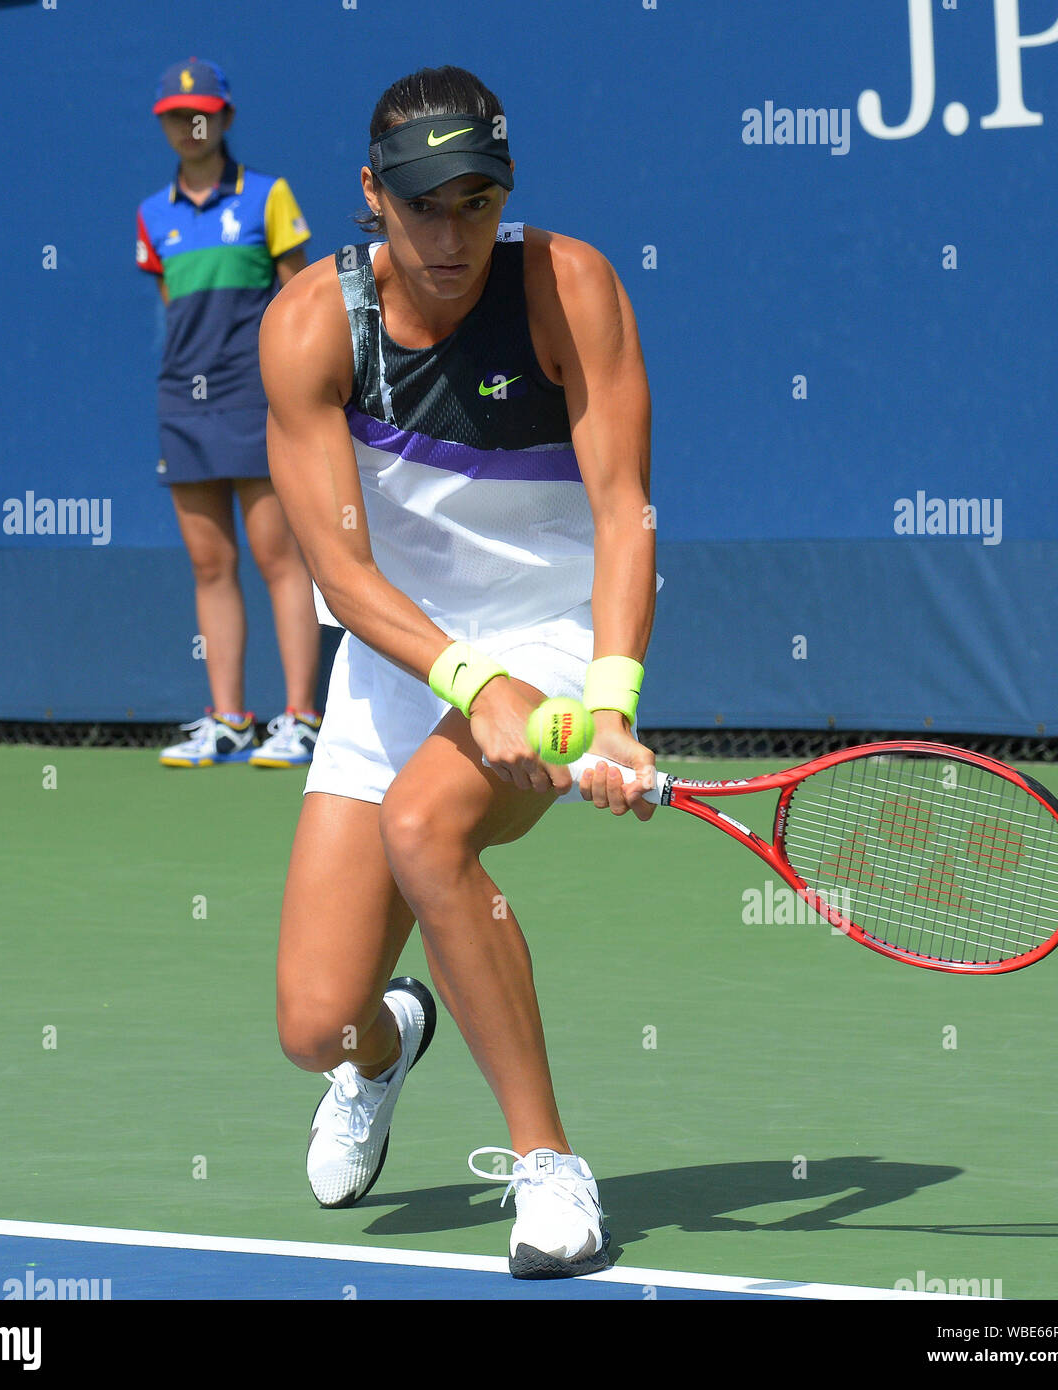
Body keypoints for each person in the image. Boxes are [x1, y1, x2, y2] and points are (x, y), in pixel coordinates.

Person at [262, 65, 657, 1279]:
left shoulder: (568, 284)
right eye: (426, 205)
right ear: (373, 197)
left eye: (478, 202)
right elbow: (337, 565)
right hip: (399, 647)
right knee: (312, 1022)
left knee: (428, 827)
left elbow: (621, 511)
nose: (453, 234)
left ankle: (547, 1170)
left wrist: (608, 703)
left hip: (548, 628)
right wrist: (470, 681)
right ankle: (384, 1052)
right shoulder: (311, 324)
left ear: (505, 195)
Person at [135, 57, 323, 768]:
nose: (189, 124)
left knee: (279, 555)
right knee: (209, 561)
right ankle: (230, 720)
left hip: (254, 394)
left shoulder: (269, 197)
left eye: (202, 111)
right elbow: (173, 313)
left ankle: (301, 717)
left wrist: (294, 389)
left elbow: (301, 300)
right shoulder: (153, 216)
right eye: (175, 115)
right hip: (183, 398)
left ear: (224, 119)